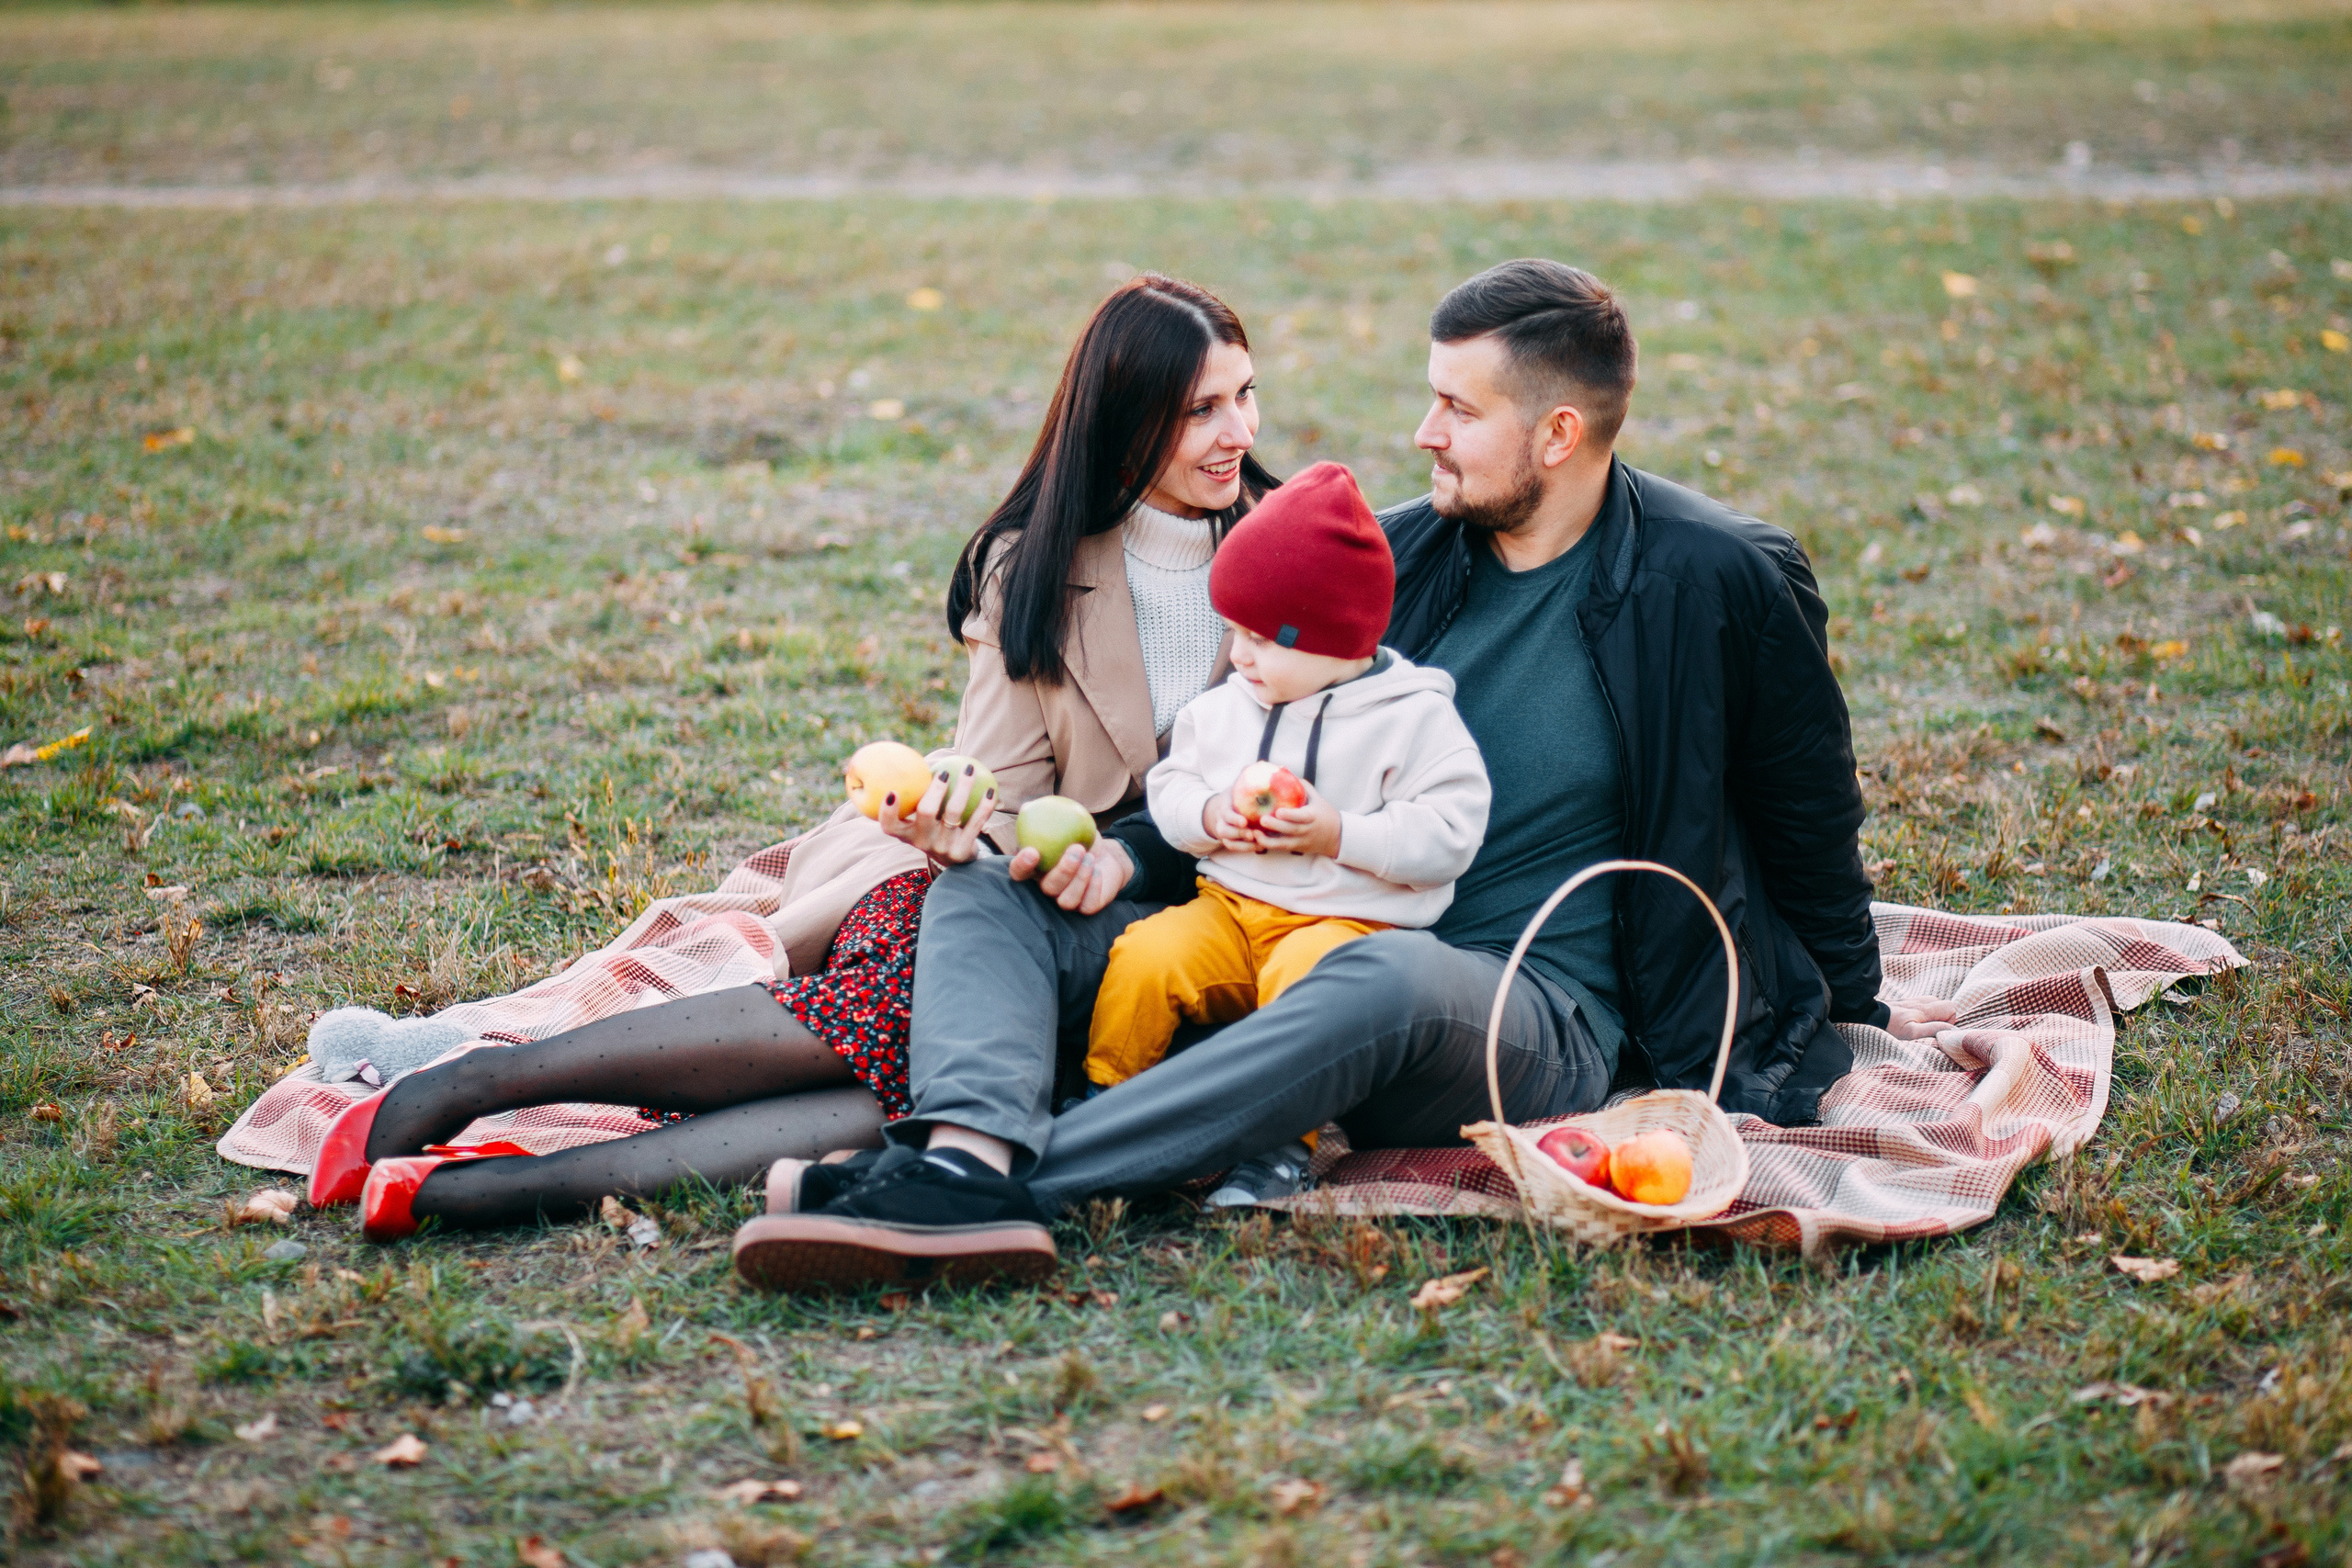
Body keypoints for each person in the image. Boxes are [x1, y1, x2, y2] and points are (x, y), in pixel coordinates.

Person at [729, 258, 1962, 1292]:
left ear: (1558, 432)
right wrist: (1125, 856)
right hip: (1292, 934)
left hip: (1534, 1014)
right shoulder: (1403, 558)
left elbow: (1807, 805)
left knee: (1372, 973)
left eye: (1456, 409)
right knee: (992, 890)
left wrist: (1844, 997)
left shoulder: (1719, 578)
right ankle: (963, 1157)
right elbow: (1249, 744)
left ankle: (983, 1183)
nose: (1422, 431)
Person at [300, 273, 1281, 1241]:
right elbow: (998, 788)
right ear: (1126, 420)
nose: (1238, 432)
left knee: (898, 1103)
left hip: (1201, 933)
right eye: (1201, 410)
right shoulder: (1035, 567)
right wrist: (960, 826)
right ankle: (465, 1090)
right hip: (1024, 906)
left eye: (1243, 396)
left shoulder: (1290, 553)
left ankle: (472, 1187)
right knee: (909, 1024)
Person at [1082, 461, 1488, 1209]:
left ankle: (1280, 1147)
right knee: (1147, 956)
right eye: (1233, 631)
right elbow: (1172, 785)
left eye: (1260, 638)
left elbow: (1450, 833)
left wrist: (1340, 833)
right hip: (1231, 910)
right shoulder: (1231, 705)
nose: (1238, 655)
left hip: (1349, 925)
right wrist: (1210, 817)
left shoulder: (1415, 719)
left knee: (1305, 976)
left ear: (1336, 639)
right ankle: (1103, 1104)